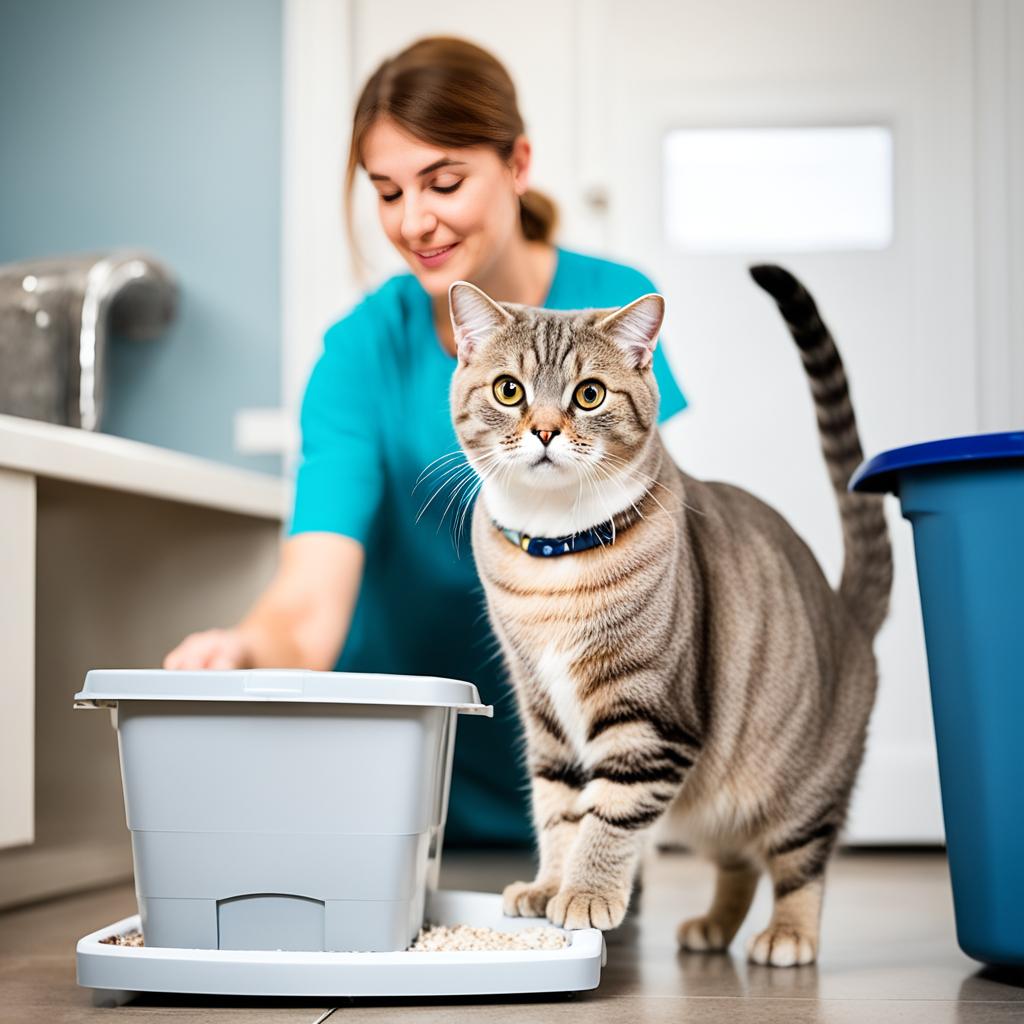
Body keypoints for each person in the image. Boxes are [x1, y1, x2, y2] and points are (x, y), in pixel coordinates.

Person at [164, 36, 687, 847]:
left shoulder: (611, 307)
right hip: (390, 790)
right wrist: (241, 651)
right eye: (386, 191)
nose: (415, 222)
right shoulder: (359, 353)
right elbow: (309, 601)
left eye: (444, 182)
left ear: (517, 163)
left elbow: (659, 553)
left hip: (588, 794)